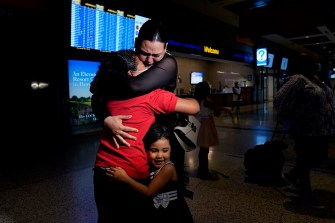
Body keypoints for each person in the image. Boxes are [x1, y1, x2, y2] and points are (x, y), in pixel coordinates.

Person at [92, 49, 200, 222]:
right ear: (131, 74)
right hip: (131, 173)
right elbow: (194, 107)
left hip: (102, 172)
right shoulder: (151, 96)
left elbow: (95, 93)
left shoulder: (107, 93)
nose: (151, 68)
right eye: (145, 66)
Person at [90, 19, 190, 191]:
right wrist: (106, 118)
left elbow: (134, 86)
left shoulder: (168, 63)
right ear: (136, 44)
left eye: (156, 55)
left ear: (165, 48)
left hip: (160, 137)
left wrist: (103, 80)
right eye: (144, 53)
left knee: (164, 194)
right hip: (138, 139)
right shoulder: (132, 62)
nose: (150, 60)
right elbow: (97, 98)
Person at [273, 54, 335, 209]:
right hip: (304, 129)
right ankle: (306, 195)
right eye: (315, 62)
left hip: (321, 129)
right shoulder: (297, 80)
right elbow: (279, 100)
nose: (317, 64)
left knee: (319, 157)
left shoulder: (316, 79)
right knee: (305, 160)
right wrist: (295, 115)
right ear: (306, 64)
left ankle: (293, 175)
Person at [107, 124, 194, 223]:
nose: (159, 156)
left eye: (165, 150)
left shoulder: (168, 168)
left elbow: (149, 192)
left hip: (172, 214)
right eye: (154, 150)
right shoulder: (150, 166)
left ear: (171, 151)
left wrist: (125, 178)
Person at [194, 81, 220, 180]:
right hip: (206, 125)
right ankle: (203, 172)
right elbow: (217, 111)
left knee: (203, 150)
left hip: (201, 124)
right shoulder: (206, 100)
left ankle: (202, 170)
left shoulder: (198, 100)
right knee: (205, 150)